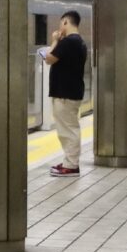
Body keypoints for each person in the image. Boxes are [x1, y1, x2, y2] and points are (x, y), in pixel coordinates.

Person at [42, 10, 87, 176]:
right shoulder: (79, 42)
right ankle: (69, 162)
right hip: (71, 91)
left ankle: (72, 165)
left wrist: (54, 40)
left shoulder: (68, 42)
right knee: (68, 129)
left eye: (61, 24)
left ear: (66, 22)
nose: (60, 27)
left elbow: (49, 58)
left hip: (65, 93)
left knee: (68, 130)